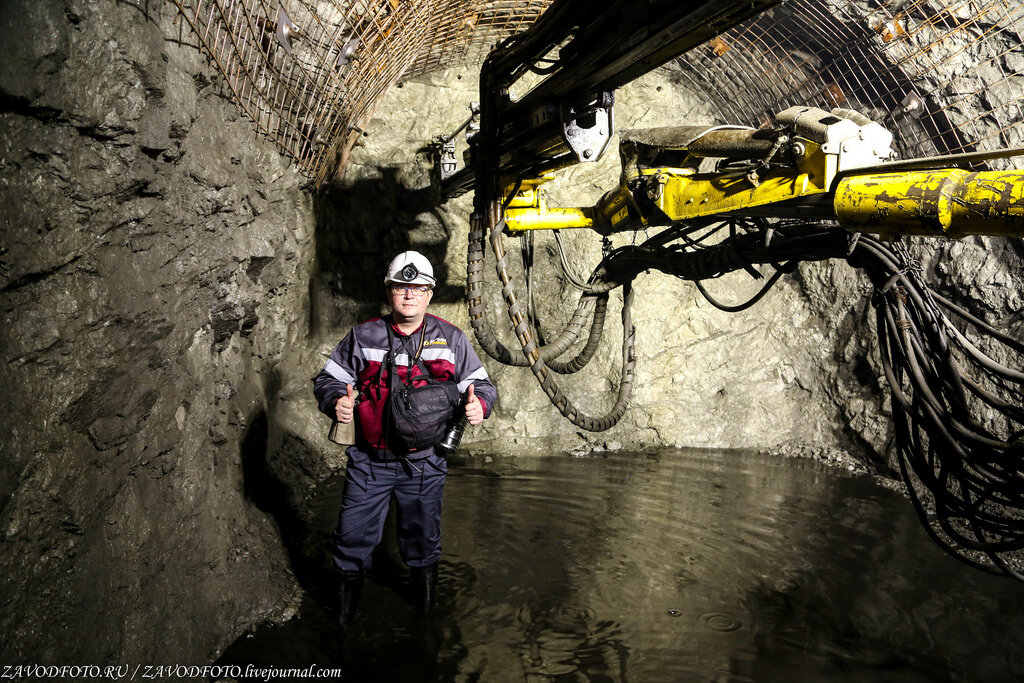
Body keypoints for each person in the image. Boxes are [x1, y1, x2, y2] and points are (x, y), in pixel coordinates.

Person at [312, 250, 497, 625]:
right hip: (370, 461)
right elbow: (328, 380)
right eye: (400, 287)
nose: (409, 294)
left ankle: (424, 622)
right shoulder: (364, 336)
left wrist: (480, 406)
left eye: (418, 288)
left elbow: (482, 386)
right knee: (351, 539)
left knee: (423, 539)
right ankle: (343, 626)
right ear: (389, 292)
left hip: (425, 462)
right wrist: (335, 402)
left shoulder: (451, 339)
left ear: (429, 294)